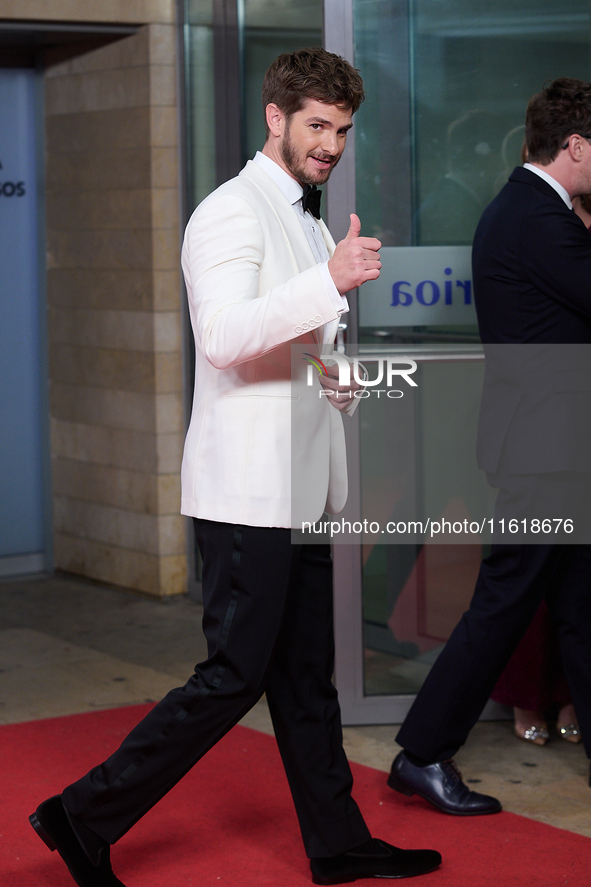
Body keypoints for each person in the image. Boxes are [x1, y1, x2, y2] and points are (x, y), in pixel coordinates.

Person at [29, 48, 441, 886]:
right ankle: (80, 813)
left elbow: (292, 342)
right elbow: (219, 337)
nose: (330, 143)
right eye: (317, 126)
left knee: (303, 678)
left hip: (302, 490)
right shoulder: (229, 211)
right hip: (247, 495)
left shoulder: (310, 218)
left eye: (342, 130)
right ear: (275, 117)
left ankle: (336, 843)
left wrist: (339, 376)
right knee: (230, 677)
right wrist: (327, 282)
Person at [387, 77, 591, 816]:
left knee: (579, 604)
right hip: (546, 455)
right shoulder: (537, 219)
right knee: (505, 603)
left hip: (559, 451)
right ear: (575, 146)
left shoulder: (535, 210)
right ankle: (421, 751)